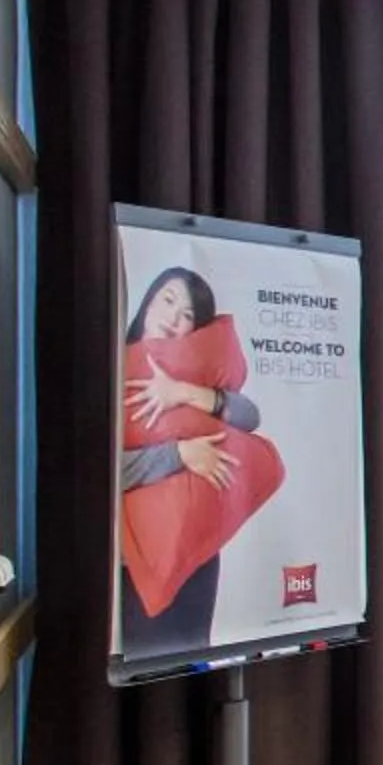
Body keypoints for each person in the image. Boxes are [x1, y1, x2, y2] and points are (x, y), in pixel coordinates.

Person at [119, 266, 265, 659]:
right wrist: (180, 454)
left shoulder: (194, 374)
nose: (173, 318)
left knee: (195, 662)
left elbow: (249, 417)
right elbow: (103, 469)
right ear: (147, 300)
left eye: (187, 315)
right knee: (145, 664)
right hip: (133, 561)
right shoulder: (112, 367)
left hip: (196, 555)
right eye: (168, 301)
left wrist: (182, 392)